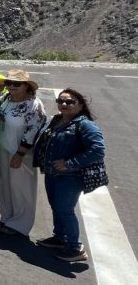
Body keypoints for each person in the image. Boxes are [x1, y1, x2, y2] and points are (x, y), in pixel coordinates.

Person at [34, 88, 105, 262]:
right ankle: (60, 238)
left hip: (71, 176)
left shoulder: (85, 124)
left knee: (65, 210)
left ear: (80, 105)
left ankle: (75, 248)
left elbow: (98, 150)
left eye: (70, 102)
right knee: (56, 206)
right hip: (52, 173)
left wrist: (70, 163)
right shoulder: (57, 119)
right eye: (61, 101)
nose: (64, 104)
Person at [0, 70, 46, 236]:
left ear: (26, 86)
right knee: (5, 184)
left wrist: (20, 154)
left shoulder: (34, 105)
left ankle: (20, 224)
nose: (11, 86)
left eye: (16, 84)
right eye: (8, 83)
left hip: (21, 153)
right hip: (3, 147)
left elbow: (33, 130)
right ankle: (7, 216)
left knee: (21, 187)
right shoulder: (6, 98)